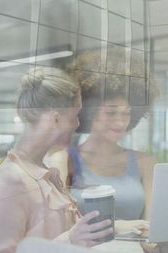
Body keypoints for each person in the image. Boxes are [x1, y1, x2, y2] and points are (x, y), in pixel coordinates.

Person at [0, 67, 113, 253]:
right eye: (75, 115)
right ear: (55, 119)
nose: (77, 125)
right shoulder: (11, 180)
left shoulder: (45, 173)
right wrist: (70, 240)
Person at [66, 49, 159, 234]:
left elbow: (152, 231)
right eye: (111, 112)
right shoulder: (65, 160)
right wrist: (116, 227)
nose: (120, 122)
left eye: (127, 113)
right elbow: (60, 226)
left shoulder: (145, 163)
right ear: (89, 111)